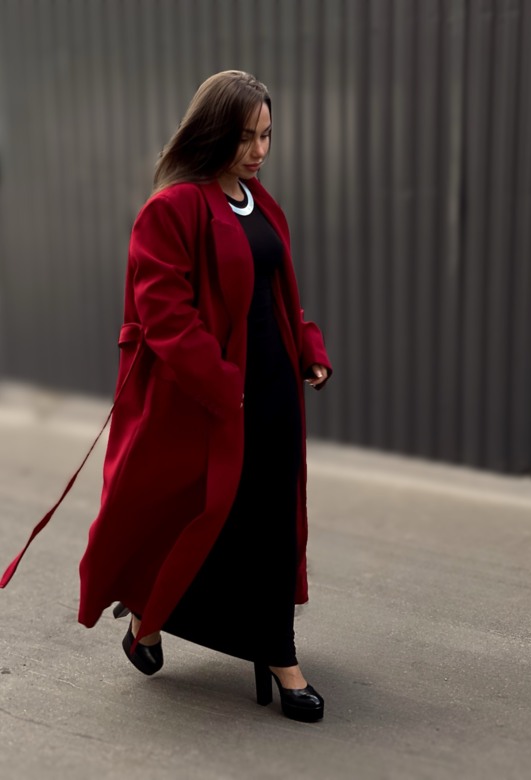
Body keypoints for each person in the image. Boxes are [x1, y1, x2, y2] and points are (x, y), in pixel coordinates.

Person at [50, 70, 329, 723]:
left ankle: (274, 651)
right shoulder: (171, 209)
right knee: (204, 518)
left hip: (274, 391)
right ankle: (152, 620)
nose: (259, 150)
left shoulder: (260, 202)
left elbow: (276, 293)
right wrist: (223, 386)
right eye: (245, 137)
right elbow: (165, 315)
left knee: (269, 523)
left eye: (266, 135)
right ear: (213, 133)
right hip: (210, 399)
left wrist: (308, 347)